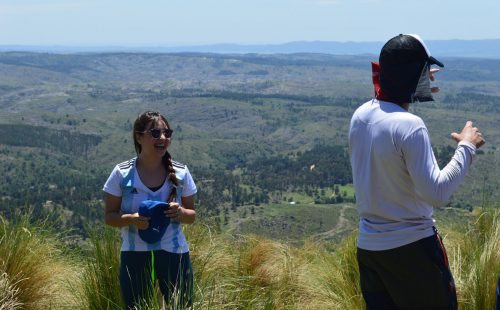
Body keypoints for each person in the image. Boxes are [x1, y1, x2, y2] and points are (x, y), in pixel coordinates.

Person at [348, 34, 485, 309]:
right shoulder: (410, 126)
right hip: (413, 251)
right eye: (425, 74)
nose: (430, 79)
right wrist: (467, 147)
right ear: (415, 77)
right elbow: (437, 193)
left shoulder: (360, 116)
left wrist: (412, 85)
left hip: (370, 249)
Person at [103, 111, 197, 309]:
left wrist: (180, 213)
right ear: (139, 137)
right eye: (155, 133)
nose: (163, 138)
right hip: (135, 253)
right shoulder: (122, 173)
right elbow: (110, 217)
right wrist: (130, 218)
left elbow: (192, 215)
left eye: (167, 133)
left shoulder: (181, 172)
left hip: (174, 253)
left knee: (183, 306)